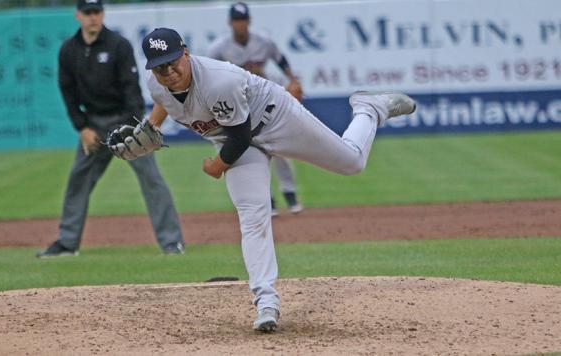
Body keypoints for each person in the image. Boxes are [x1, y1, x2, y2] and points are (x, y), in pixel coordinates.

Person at [109, 28, 415, 332]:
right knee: (252, 216)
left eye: (174, 61)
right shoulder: (157, 84)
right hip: (233, 140)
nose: (170, 71)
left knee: (352, 162)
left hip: (276, 119)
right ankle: (266, 301)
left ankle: (368, 109)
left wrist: (216, 167)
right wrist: (151, 128)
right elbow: (166, 101)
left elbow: (240, 136)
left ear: (186, 53)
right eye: (160, 66)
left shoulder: (218, 81)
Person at [36, 0, 184, 258]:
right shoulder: (69, 50)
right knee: (78, 180)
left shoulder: (119, 45)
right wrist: (82, 127)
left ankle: (172, 243)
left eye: (96, 12)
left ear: (102, 14)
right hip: (93, 125)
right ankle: (67, 243)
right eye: (87, 12)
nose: (92, 17)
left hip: (124, 121)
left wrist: (131, 128)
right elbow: (67, 93)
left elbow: (131, 91)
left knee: (152, 179)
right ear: (78, 15)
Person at [208, 2, 304, 216]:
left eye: (243, 20)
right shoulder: (219, 48)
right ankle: (268, 200)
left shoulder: (263, 42)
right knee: (252, 152)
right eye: (236, 20)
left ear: (249, 21)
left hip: (265, 99)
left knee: (280, 147)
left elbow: (280, 59)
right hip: (238, 105)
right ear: (230, 23)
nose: (240, 24)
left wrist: (293, 79)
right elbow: (209, 75)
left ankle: (290, 194)